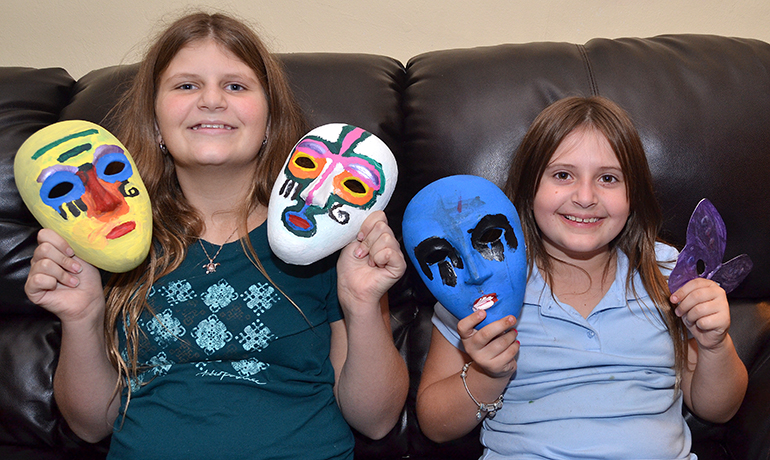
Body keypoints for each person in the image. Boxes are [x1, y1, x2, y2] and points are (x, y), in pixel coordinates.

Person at [24, 12, 408, 459]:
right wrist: (81, 317)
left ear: (269, 119)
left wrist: (362, 305)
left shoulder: (327, 235)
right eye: (186, 85)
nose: (211, 100)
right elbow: (91, 426)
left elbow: (377, 420)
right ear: (155, 119)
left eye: (236, 86)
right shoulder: (112, 236)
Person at [415, 96, 748, 459]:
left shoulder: (669, 273)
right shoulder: (476, 284)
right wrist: (488, 373)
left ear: (631, 194)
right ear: (529, 188)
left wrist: (715, 344)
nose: (586, 197)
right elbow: (435, 425)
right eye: (562, 175)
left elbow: (718, 409)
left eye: (608, 178)